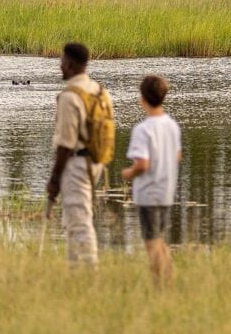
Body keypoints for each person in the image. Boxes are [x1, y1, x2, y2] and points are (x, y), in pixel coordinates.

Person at [46, 42, 112, 267]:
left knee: (79, 220)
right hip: (96, 161)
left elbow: (65, 144)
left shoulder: (69, 97)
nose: (60, 67)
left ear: (72, 65)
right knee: (77, 215)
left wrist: (54, 179)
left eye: (62, 62)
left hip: (76, 164)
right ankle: (75, 267)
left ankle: (88, 270)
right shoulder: (100, 90)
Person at [121, 75, 182, 286]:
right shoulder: (172, 125)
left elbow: (142, 165)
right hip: (166, 191)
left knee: (151, 243)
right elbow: (177, 156)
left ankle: (160, 286)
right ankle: (169, 281)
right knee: (160, 240)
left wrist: (129, 173)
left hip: (148, 193)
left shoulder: (142, 129)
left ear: (142, 99)